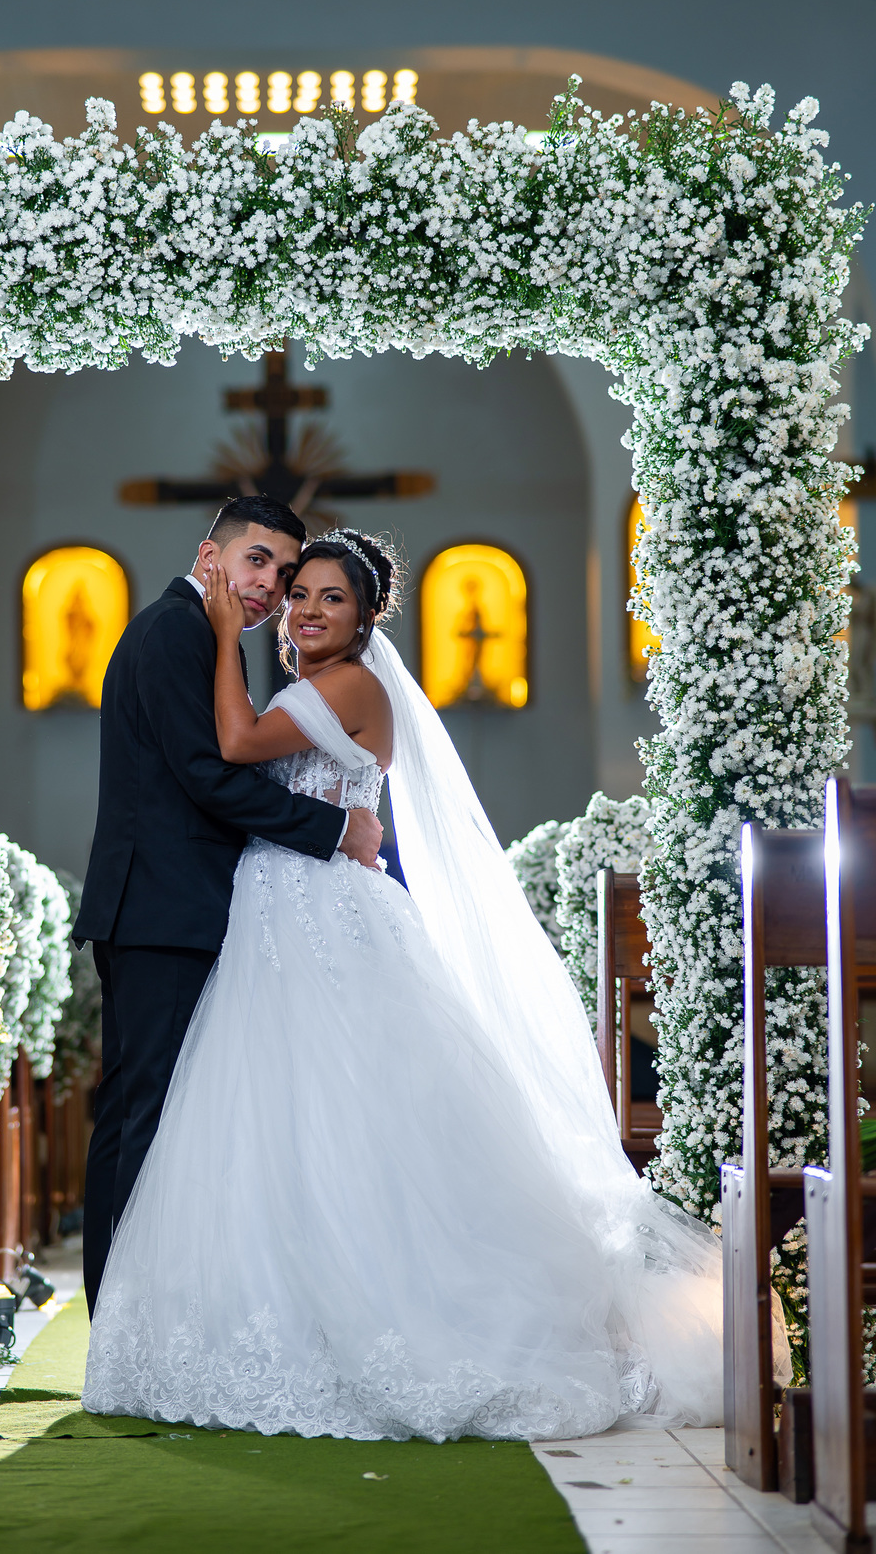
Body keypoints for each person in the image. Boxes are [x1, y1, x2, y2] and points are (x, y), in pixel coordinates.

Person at [82, 528, 756, 1441]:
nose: (308, 607)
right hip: (279, 914)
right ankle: (293, 1307)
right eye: (299, 592)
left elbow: (233, 743)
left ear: (366, 619)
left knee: (351, 1118)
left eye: (329, 597)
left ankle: (392, 1310)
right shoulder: (306, 685)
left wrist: (214, 630)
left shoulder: (346, 685)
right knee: (283, 1123)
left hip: (320, 914)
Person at [72, 499, 384, 1314]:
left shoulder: (199, 634)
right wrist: (336, 828)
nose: (270, 587)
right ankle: (126, 1317)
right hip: (162, 910)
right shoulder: (180, 631)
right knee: (147, 1115)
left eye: (284, 574)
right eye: (257, 562)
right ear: (211, 553)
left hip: (170, 906)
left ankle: (131, 1311)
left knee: (151, 1111)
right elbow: (211, 775)